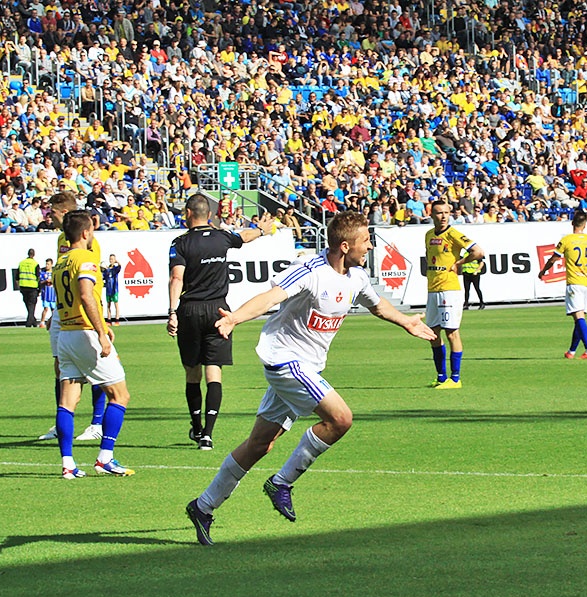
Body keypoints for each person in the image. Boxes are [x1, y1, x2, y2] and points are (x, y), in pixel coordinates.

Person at [184, 211, 436, 545]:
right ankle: (282, 482)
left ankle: (203, 506)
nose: (371, 246)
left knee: (261, 444)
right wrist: (235, 320)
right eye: (365, 241)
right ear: (345, 246)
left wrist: (406, 322)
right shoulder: (311, 272)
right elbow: (271, 297)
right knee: (340, 419)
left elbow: (377, 306)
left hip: (306, 366)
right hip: (284, 360)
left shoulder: (356, 277)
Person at [167, 194, 274, 450]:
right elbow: (244, 238)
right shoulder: (221, 237)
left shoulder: (180, 242)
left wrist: (172, 311)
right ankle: (208, 434)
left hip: (190, 310)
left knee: (192, 372)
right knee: (213, 370)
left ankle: (196, 425)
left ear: (189, 213)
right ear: (209, 215)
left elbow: (176, 278)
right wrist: (261, 230)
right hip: (219, 311)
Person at [52, 210, 135, 479]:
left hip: (65, 333)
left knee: (68, 401)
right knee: (120, 395)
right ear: (86, 233)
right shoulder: (86, 259)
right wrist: (101, 332)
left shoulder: (60, 262)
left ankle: (68, 464)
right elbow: (87, 296)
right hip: (86, 333)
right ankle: (105, 457)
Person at [38, 192, 107, 443]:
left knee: (97, 367)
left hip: (84, 312)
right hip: (62, 311)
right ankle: (62, 422)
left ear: (65, 212)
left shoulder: (90, 243)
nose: (49, 215)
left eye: (52, 211)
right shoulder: (59, 241)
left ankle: (97, 423)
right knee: (60, 367)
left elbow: (88, 282)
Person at [425, 200, 485, 389]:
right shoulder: (428, 235)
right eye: (439, 213)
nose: (443, 216)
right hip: (433, 289)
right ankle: (441, 377)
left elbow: (478, 251)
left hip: (449, 289)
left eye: (446, 212)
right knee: (433, 333)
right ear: (432, 215)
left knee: (451, 332)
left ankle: (456, 378)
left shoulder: (453, 234)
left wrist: (459, 263)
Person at [538, 211, 587, 359]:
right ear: (585, 224)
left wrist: (543, 271)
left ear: (572, 223)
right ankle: (572, 351)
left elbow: (553, 259)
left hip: (575, 283)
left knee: (579, 317)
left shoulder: (567, 240)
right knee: (579, 317)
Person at [18, 249, 40, 327]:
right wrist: (39, 289)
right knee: (32, 305)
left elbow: (17, 276)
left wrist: (19, 286)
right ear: (34, 254)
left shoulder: (21, 263)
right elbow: (38, 277)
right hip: (32, 286)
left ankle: (33, 321)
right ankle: (29, 323)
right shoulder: (35, 264)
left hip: (23, 286)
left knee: (28, 304)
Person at [102, 254, 122, 326]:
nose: (111, 260)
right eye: (110, 259)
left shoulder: (115, 269)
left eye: (113, 259)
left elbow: (120, 266)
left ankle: (117, 320)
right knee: (108, 305)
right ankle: (109, 320)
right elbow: (103, 278)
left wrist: (117, 262)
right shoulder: (107, 270)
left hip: (114, 289)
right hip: (108, 290)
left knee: (116, 304)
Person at [39, 258, 56, 327]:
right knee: (45, 308)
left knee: (53, 310)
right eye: (46, 264)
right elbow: (40, 282)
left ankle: (53, 323)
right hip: (46, 294)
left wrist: (52, 281)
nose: (46, 265)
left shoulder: (54, 273)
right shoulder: (43, 273)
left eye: (48, 264)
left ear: (51, 265)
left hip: (53, 294)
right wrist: (46, 281)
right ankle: (42, 322)